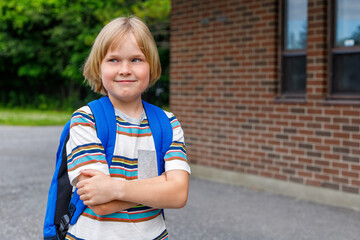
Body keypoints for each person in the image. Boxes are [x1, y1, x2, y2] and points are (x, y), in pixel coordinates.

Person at [65, 16, 190, 240]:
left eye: (136, 59)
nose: (125, 69)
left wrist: (115, 188)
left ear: (151, 65)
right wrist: (161, 186)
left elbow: (179, 195)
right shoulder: (87, 120)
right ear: (98, 66)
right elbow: (100, 203)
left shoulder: (167, 123)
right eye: (113, 60)